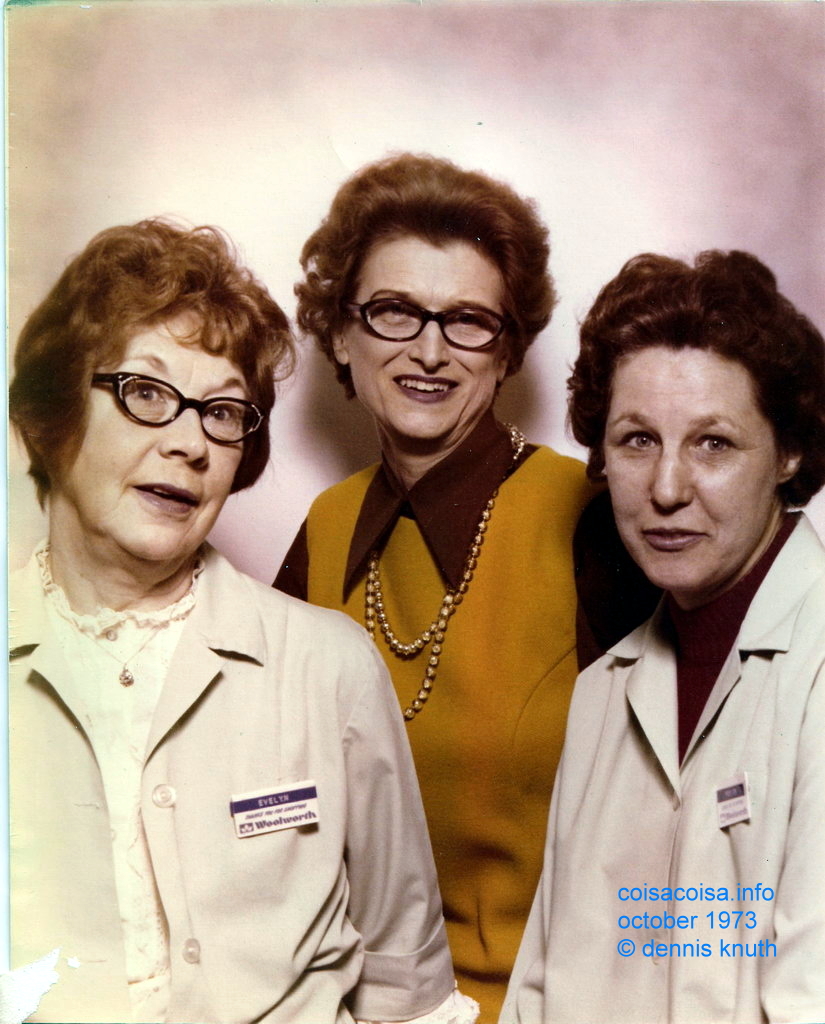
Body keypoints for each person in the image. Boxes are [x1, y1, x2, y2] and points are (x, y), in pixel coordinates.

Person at [8, 218, 474, 1024]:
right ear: (49, 420)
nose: (190, 442)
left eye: (223, 413)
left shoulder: (329, 667)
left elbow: (408, 987)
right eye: (146, 394)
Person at [274, 152, 616, 1021]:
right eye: (393, 312)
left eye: (467, 321)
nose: (429, 351)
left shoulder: (593, 518)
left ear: (507, 353)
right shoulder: (322, 529)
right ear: (341, 337)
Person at [502, 250, 825, 1023]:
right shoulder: (601, 690)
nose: (668, 489)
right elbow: (539, 991)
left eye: (712, 442)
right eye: (637, 440)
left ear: (785, 453)